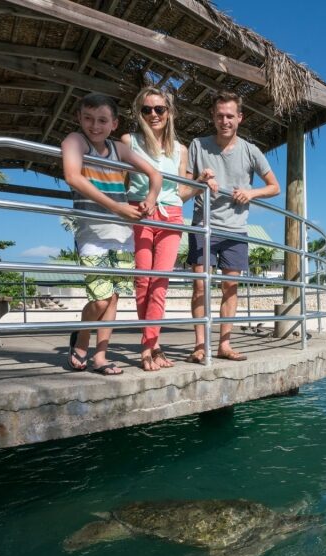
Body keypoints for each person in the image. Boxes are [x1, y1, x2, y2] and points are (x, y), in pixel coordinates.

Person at [61, 93, 162, 376]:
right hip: (91, 233)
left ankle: (100, 357)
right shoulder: (75, 141)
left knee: (114, 298)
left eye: (102, 120)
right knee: (100, 299)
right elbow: (72, 176)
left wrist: (150, 200)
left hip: (122, 235)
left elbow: (155, 175)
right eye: (89, 119)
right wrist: (117, 207)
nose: (95, 125)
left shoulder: (119, 149)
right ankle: (81, 340)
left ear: (114, 123)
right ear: (79, 118)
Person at [185, 91, 280, 363]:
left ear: (240, 118)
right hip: (204, 226)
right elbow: (183, 189)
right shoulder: (197, 145)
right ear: (212, 117)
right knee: (200, 287)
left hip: (236, 229)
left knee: (230, 287)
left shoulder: (251, 151)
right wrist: (200, 181)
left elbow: (275, 187)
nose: (224, 121)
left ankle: (224, 345)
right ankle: (200, 345)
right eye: (219, 116)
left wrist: (251, 194)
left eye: (230, 116)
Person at [121, 87, 193, 372]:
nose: (153, 114)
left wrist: (201, 182)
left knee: (159, 283)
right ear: (139, 113)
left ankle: (149, 344)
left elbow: (181, 191)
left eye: (159, 109)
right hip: (141, 212)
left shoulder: (180, 149)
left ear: (169, 113)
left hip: (171, 216)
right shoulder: (129, 141)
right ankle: (151, 345)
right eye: (147, 109)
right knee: (143, 282)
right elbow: (120, 181)